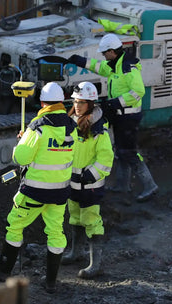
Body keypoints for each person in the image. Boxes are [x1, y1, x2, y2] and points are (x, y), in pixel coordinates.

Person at [0, 82, 77, 294]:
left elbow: (20, 157)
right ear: (62, 102)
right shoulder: (72, 127)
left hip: (33, 191)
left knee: (15, 226)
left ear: (42, 102)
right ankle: (51, 282)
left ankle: (3, 270)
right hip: (60, 192)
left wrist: (23, 140)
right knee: (55, 232)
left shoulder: (38, 126)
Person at [68, 33, 158, 202]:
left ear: (111, 51)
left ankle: (150, 186)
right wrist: (80, 61)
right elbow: (100, 67)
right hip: (121, 116)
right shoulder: (116, 64)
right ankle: (122, 185)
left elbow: (138, 92)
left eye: (104, 53)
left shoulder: (127, 68)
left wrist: (115, 103)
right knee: (121, 151)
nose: (103, 56)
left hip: (128, 118)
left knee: (129, 152)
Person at [61, 81, 114, 279]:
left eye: (82, 102)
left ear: (91, 103)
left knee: (91, 221)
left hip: (89, 185)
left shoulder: (98, 128)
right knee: (74, 216)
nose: (77, 105)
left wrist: (89, 175)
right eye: (75, 101)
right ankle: (76, 252)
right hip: (72, 182)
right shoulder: (72, 122)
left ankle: (95, 265)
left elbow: (106, 158)